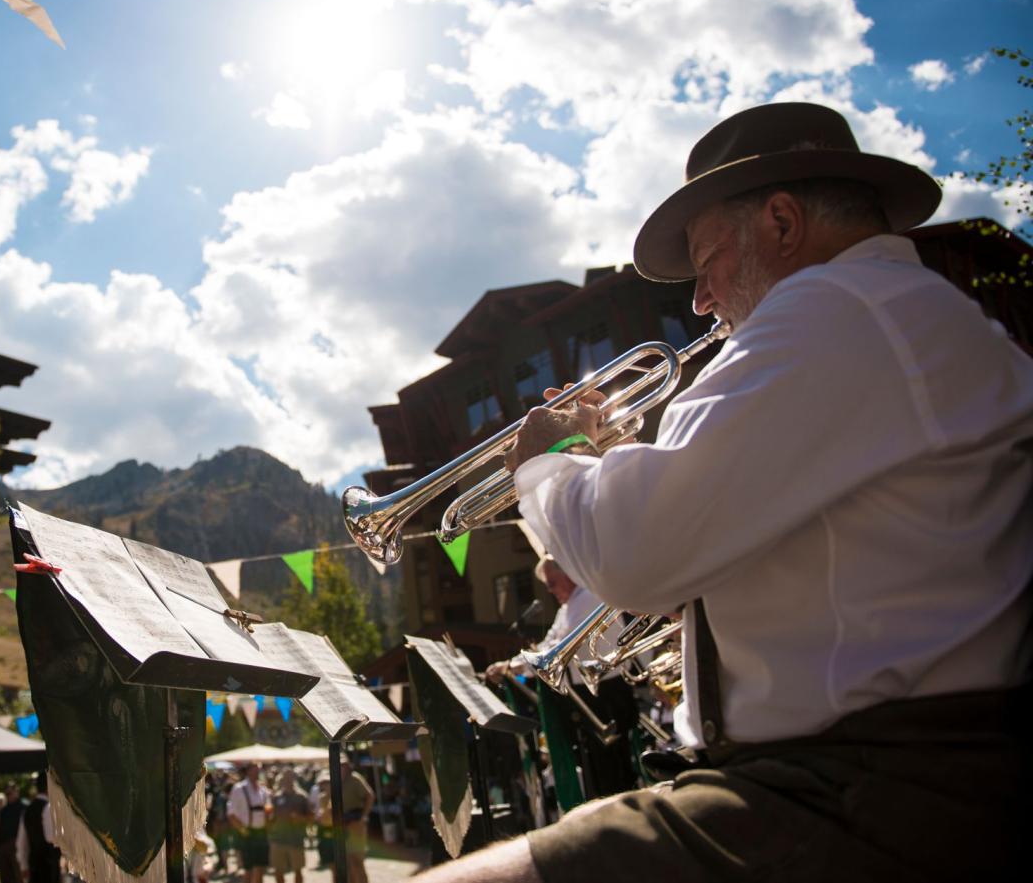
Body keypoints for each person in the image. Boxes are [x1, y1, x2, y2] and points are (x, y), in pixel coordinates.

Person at [415, 101, 1033, 882]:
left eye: (707, 262)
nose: (701, 301)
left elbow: (634, 553)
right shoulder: (914, 316)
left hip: (857, 791)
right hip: (877, 777)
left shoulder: (829, 310)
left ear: (780, 223)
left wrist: (549, 460)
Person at [485, 558, 641, 802]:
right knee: (598, 772)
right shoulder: (567, 608)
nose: (549, 590)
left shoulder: (588, 598)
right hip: (590, 694)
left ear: (568, 574)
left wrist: (513, 666)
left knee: (614, 772)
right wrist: (512, 664)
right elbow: (548, 646)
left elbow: (558, 648)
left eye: (552, 583)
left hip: (606, 693)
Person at [224, 764, 268, 883]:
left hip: (261, 832)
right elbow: (231, 813)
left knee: (260, 867)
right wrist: (242, 830)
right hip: (246, 832)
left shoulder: (263, 790)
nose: (257, 773)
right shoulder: (239, 788)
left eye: (258, 771)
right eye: (255, 771)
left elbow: (268, 809)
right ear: (248, 772)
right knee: (248, 868)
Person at [266, 771, 310, 883]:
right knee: (278, 871)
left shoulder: (301, 796)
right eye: (284, 779)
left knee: (298, 870)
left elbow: (310, 817)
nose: (287, 781)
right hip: (278, 839)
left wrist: (299, 818)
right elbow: (269, 818)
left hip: (296, 839)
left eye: (289, 778)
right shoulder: (275, 797)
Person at [12, 776, 56, 883]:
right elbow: (51, 838)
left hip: (34, 864)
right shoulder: (49, 807)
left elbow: (21, 841)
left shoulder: (27, 810)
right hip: (49, 866)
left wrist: (23, 865)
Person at [338, 762, 374, 883]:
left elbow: (370, 796)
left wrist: (363, 817)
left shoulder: (355, 778)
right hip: (343, 824)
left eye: (343, 765)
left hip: (355, 822)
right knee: (348, 864)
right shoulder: (337, 780)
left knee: (357, 861)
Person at [0, 786, 22, 883]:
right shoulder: (4, 810)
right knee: (5, 875)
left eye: (11, 793)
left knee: (18, 874)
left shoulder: (23, 808)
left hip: (16, 845)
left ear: (17, 793)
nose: (9, 795)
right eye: (7, 794)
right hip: (3, 844)